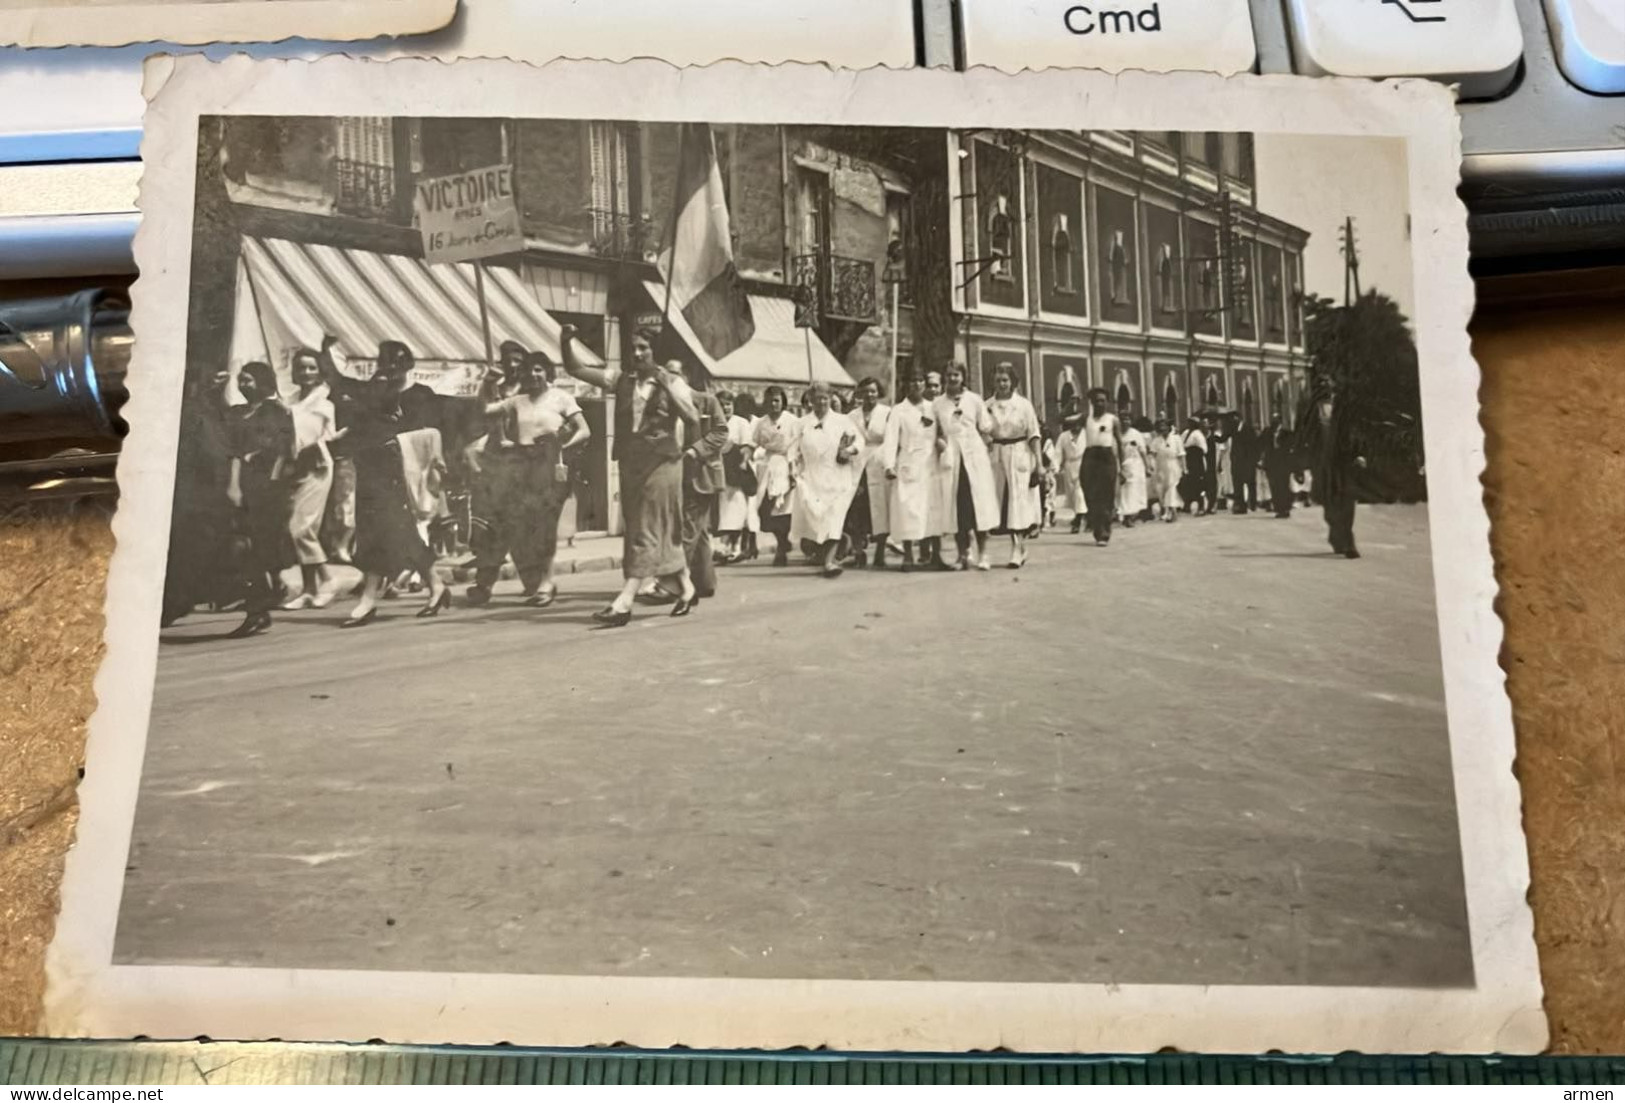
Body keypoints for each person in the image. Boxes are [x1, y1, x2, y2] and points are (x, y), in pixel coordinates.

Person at [560, 324, 699, 625]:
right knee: (642, 525)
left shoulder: (673, 382)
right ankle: (687, 588)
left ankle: (624, 601)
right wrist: (566, 340)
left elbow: (692, 417)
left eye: (643, 348)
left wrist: (666, 386)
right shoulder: (621, 380)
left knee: (646, 528)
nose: (636, 353)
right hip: (631, 464)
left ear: (654, 353)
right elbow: (576, 368)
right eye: (632, 348)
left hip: (663, 463)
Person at [323, 340, 454, 627]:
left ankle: (368, 600)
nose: (389, 370)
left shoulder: (421, 396)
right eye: (384, 362)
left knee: (386, 533)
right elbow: (343, 387)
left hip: (403, 474)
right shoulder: (375, 391)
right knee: (388, 533)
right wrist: (326, 351)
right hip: (371, 470)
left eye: (395, 363)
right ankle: (436, 585)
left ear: (408, 365)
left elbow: (432, 436)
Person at [466, 349, 591, 608]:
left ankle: (546, 582)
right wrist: (487, 383)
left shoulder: (561, 398)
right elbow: (486, 410)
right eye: (529, 370)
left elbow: (584, 430)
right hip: (521, 466)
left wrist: (563, 448)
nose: (534, 375)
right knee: (523, 526)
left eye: (539, 369)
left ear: (547, 372)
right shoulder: (517, 401)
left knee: (545, 525)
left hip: (549, 465)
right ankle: (533, 580)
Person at [162, 363, 240, 627]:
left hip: (195, 494)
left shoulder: (195, 412)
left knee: (189, 547)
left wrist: (221, 491)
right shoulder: (184, 409)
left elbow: (215, 455)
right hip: (183, 491)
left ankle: (178, 602)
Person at [224, 361, 296, 638]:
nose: (243, 384)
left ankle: (258, 609)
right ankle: (261, 603)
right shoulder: (237, 412)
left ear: (264, 382)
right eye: (241, 380)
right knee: (244, 546)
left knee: (255, 547)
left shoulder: (275, 412)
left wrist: (269, 485)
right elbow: (233, 450)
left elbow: (279, 451)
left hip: (266, 489)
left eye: (249, 380)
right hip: (243, 485)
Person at [277, 349, 339, 609]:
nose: (306, 373)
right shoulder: (289, 400)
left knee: (300, 528)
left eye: (312, 368)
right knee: (300, 529)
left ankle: (327, 579)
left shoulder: (325, 401)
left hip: (317, 466)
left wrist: (318, 445)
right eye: (301, 368)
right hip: (293, 468)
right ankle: (310, 588)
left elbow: (333, 434)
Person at [790, 382, 861, 577]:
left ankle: (829, 562)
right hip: (812, 478)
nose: (821, 401)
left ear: (830, 399)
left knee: (834, 519)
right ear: (810, 400)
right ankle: (823, 554)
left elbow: (859, 443)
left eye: (825, 398)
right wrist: (792, 467)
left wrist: (848, 450)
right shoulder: (801, 423)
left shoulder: (843, 421)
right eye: (817, 398)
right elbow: (792, 449)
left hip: (838, 477)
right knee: (816, 519)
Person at [933, 363, 999, 570]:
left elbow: (987, 426)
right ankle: (963, 554)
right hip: (951, 459)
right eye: (949, 375)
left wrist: (989, 433)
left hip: (974, 457)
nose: (952, 379)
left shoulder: (974, 400)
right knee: (957, 510)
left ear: (963, 377)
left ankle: (984, 554)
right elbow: (934, 430)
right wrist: (939, 442)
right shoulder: (938, 403)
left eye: (956, 375)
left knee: (979, 507)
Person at [881, 370, 946, 571]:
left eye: (920, 381)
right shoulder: (899, 411)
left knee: (934, 510)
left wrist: (943, 445)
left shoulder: (933, 408)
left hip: (931, 464)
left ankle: (936, 555)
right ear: (905, 384)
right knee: (908, 510)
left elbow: (942, 433)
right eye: (912, 381)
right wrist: (889, 465)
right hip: (908, 462)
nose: (917, 384)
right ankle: (908, 555)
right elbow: (891, 439)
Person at [984, 363, 1042, 568]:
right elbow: (982, 433)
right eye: (998, 380)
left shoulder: (1024, 405)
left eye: (1005, 380)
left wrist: (1039, 464)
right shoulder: (987, 404)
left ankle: (1018, 548)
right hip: (996, 455)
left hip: (1019, 454)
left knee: (1017, 502)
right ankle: (985, 553)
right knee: (998, 503)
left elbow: (1034, 434)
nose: (1002, 384)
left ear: (1012, 382)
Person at [1300, 377, 1364, 558]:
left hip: (1343, 464)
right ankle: (1337, 536)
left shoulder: (1345, 411)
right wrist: (1305, 462)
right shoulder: (1312, 414)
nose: (1326, 394)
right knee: (1330, 506)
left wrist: (1359, 454)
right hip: (1323, 466)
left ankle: (1348, 542)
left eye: (1328, 390)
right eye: (1322, 389)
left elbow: (1354, 433)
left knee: (1347, 501)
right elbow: (1305, 438)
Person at [680, 375, 731, 597]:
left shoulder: (707, 401)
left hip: (703, 474)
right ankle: (705, 582)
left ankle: (672, 582)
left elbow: (721, 432)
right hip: (679, 475)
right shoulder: (667, 405)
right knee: (698, 530)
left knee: (687, 529)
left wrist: (695, 450)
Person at [845, 377, 891, 568]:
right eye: (865, 392)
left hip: (879, 462)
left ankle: (880, 551)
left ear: (878, 392)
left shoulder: (887, 413)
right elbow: (847, 439)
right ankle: (858, 552)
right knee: (857, 510)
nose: (869, 395)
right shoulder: (852, 416)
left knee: (880, 508)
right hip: (857, 464)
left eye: (872, 391)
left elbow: (892, 439)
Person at [753, 385, 801, 566]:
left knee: (783, 509)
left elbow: (796, 445)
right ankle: (782, 541)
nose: (774, 404)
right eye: (771, 400)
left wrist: (793, 470)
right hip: (766, 466)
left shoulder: (792, 421)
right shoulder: (761, 423)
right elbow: (754, 442)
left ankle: (781, 547)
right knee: (764, 509)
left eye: (777, 400)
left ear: (783, 402)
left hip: (786, 464)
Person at [1079, 387, 1123, 546]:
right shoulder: (1086, 418)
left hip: (1106, 458)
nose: (1100, 404)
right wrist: (1071, 404)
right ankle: (1096, 525)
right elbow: (1061, 419)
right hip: (1090, 457)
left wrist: (1122, 466)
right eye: (1096, 401)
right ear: (1091, 402)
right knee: (1090, 493)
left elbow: (1120, 442)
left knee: (1106, 495)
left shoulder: (1113, 419)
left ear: (1108, 402)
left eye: (1103, 401)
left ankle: (1104, 533)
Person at [1053, 407, 1087, 533]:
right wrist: (1055, 467)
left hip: (1084, 465)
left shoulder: (1086, 434)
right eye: (1072, 424)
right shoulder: (1063, 437)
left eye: (1077, 423)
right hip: (1069, 467)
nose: (1075, 427)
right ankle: (1081, 516)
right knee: (1072, 496)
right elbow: (1057, 453)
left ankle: (1077, 521)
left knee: (1080, 494)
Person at [1258, 413, 1296, 518]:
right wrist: (1259, 459)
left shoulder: (1287, 434)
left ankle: (1286, 508)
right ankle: (1279, 509)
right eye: (1273, 420)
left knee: (1284, 486)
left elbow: (1292, 447)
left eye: (1276, 420)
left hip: (1283, 465)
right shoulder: (1267, 432)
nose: (1274, 422)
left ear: (1280, 422)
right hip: (1271, 465)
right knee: (1274, 487)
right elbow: (1259, 445)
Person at [1148, 418, 1185, 523]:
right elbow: (1152, 454)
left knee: (1172, 488)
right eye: (1161, 427)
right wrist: (1151, 466)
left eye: (1165, 426)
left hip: (1173, 466)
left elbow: (1181, 454)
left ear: (1169, 427)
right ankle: (1167, 511)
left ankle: (1173, 511)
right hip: (1161, 467)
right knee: (1162, 490)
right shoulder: (1156, 441)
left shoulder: (1176, 439)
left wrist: (1184, 467)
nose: (1163, 428)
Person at [1117, 414, 1150, 527]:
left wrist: (1147, 467)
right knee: (1125, 492)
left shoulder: (1136, 434)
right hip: (1122, 464)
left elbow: (1143, 451)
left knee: (1135, 491)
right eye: (1122, 420)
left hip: (1136, 465)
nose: (1125, 422)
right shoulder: (1117, 434)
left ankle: (1130, 516)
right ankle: (1125, 515)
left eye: (1127, 419)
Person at [1230, 408, 1261, 514]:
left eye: (1234, 419)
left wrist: (1254, 460)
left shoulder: (1248, 429)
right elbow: (1223, 438)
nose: (1233, 421)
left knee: (1251, 482)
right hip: (1237, 461)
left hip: (1248, 461)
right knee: (1237, 483)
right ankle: (1240, 505)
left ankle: (1252, 503)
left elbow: (1254, 445)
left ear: (1239, 418)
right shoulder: (1233, 429)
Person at [1180, 415, 1210, 515]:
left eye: (1192, 422)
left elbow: (1204, 449)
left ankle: (1201, 506)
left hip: (1196, 461)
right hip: (1187, 460)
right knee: (1187, 483)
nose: (1190, 424)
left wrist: (1193, 451)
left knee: (1198, 484)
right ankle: (1187, 504)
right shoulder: (1185, 433)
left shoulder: (1198, 434)